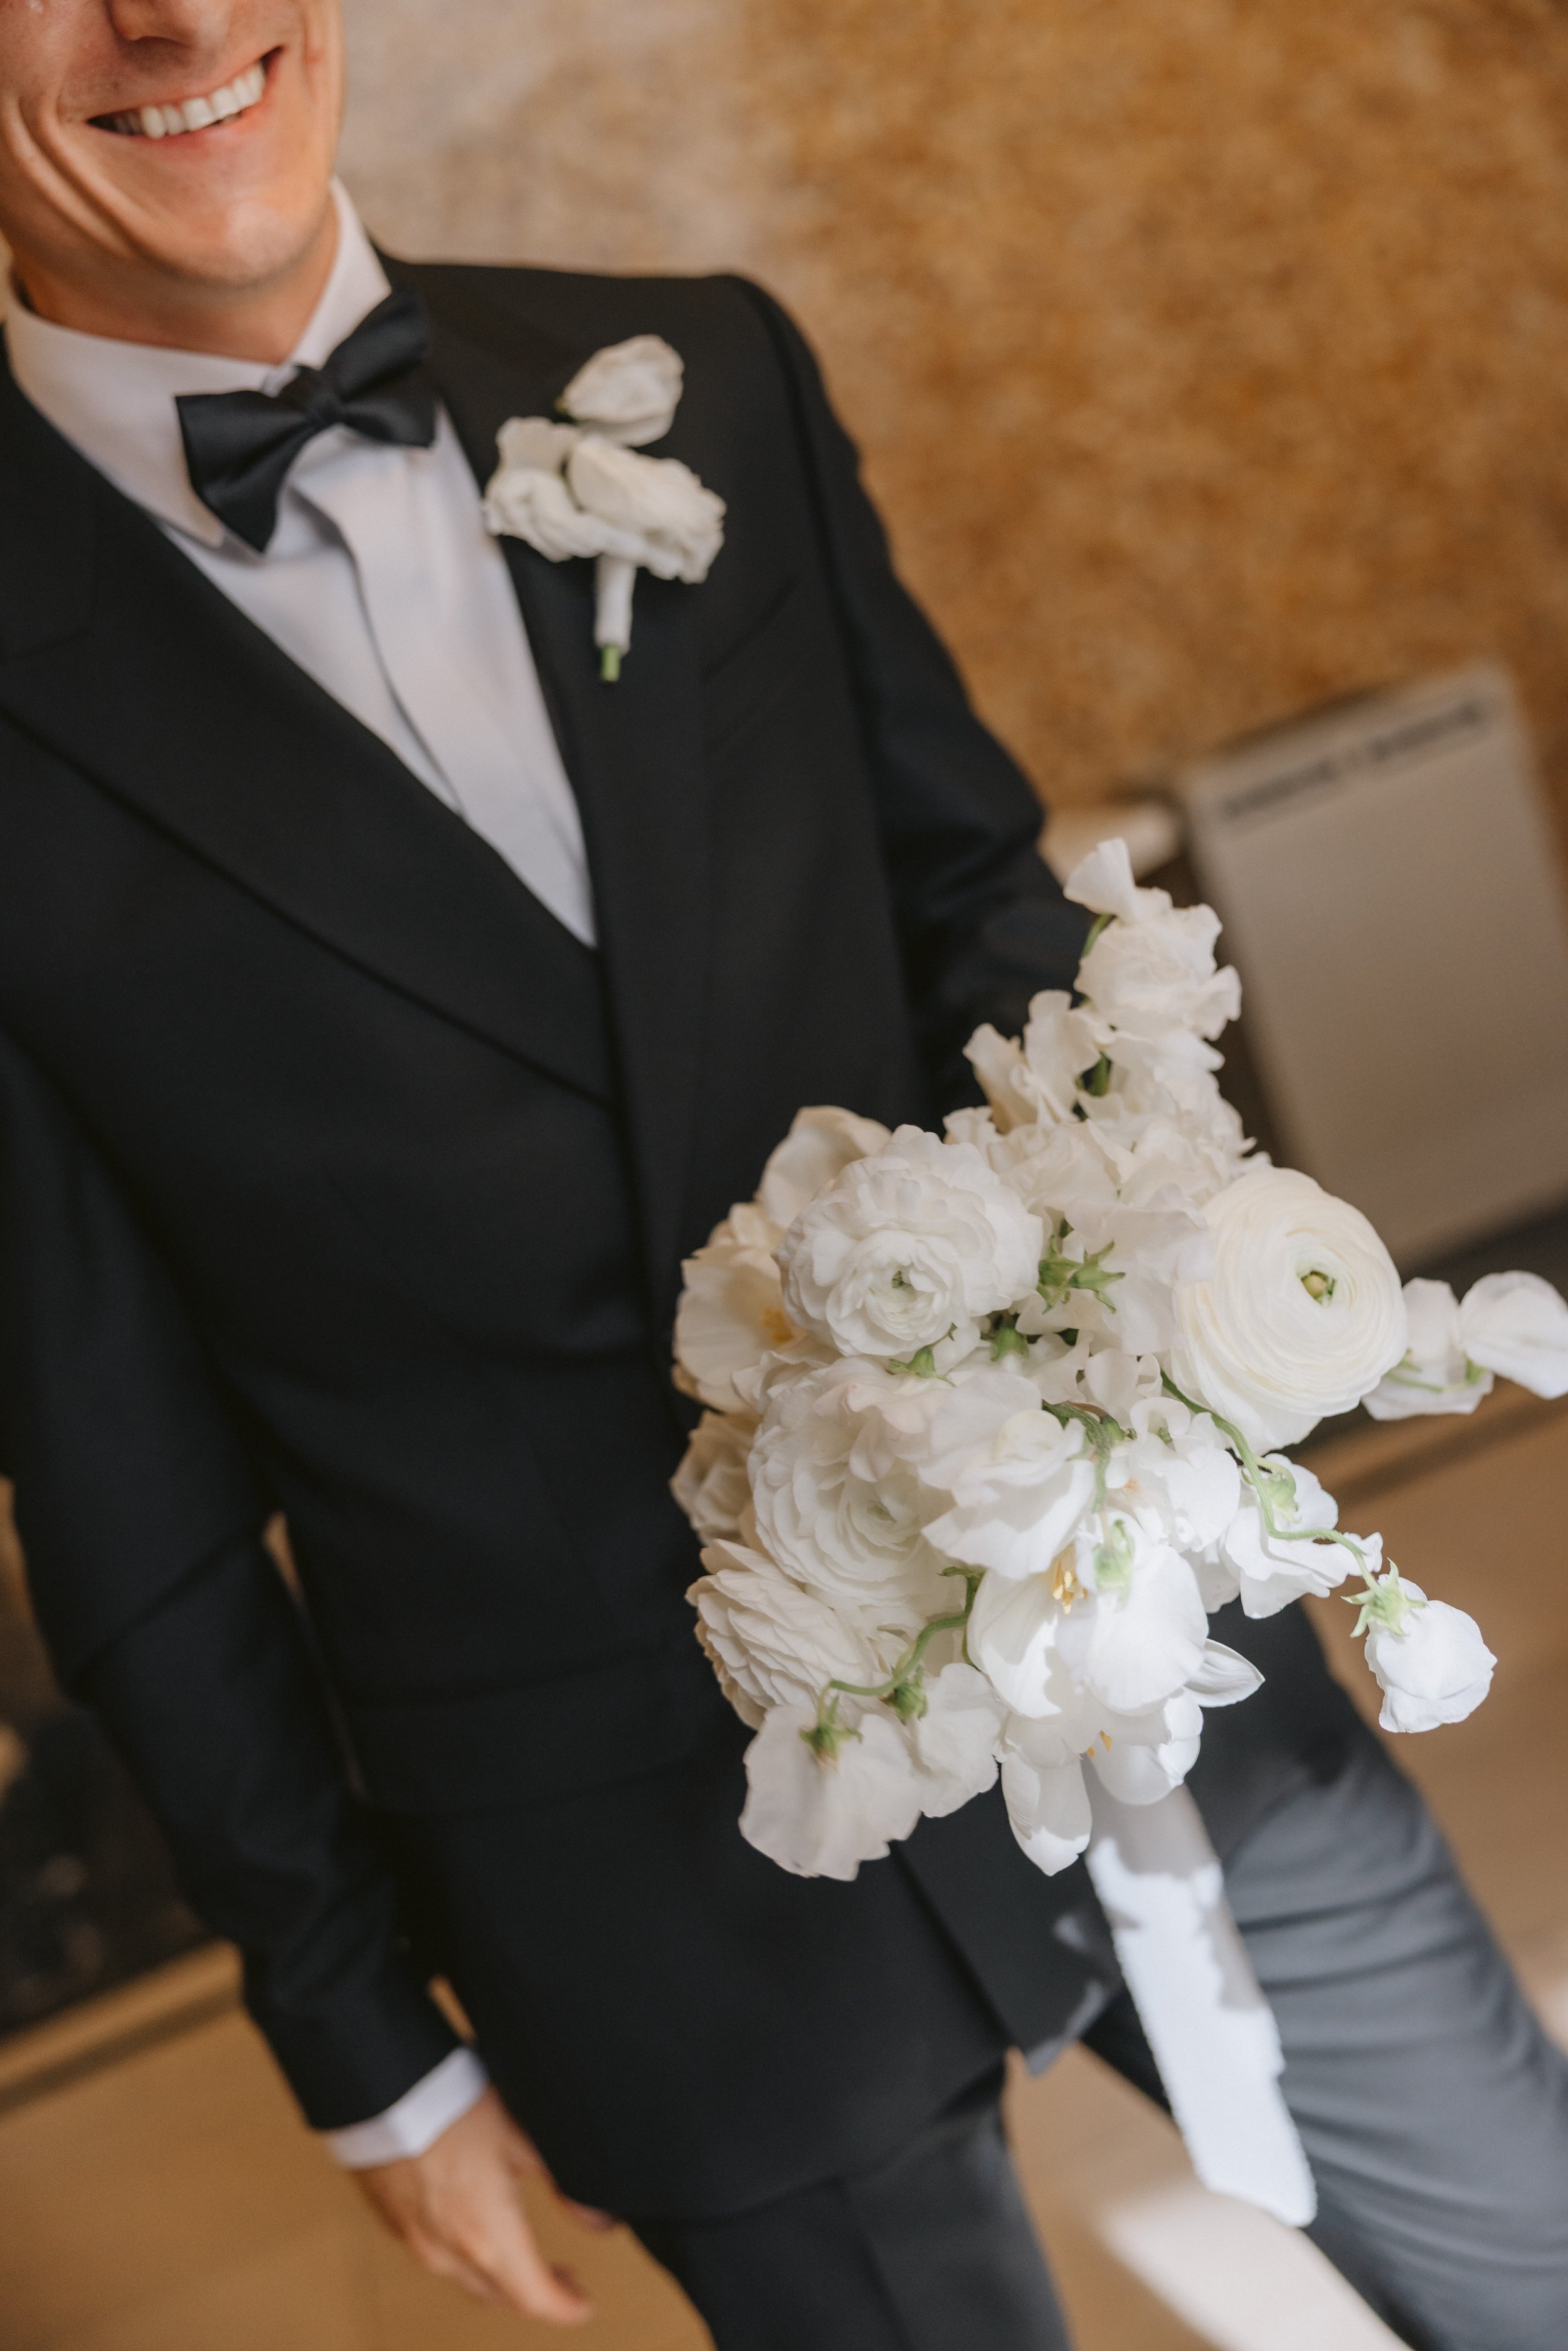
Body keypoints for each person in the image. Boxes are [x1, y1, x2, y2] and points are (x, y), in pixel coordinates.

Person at [0, 5, 1565, 2347]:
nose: (179, 20)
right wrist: (362, 2041)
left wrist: (1150, 1254)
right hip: (649, 1875)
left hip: (1139, 1645)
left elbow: (969, 901)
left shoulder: (691, 369)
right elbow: (117, 1474)